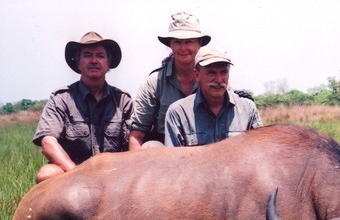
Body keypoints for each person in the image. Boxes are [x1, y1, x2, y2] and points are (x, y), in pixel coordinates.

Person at [33, 31, 133, 183]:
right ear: (78, 63)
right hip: (72, 173)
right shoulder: (61, 98)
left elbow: (132, 145)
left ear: (108, 63)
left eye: (100, 55)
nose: (94, 60)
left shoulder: (123, 100)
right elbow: (48, 142)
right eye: (87, 55)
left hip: (113, 175)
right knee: (47, 173)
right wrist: (76, 173)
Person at [129, 11, 211, 149]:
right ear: (170, 45)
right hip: (166, 155)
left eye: (189, 41)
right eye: (177, 42)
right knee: (150, 147)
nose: (183, 48)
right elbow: (136, 135)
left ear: (200, 43)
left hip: (205, 150)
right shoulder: (154, 82)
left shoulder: (213, 78)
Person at [164, 46, 262, 147]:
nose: (219, 80)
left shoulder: (248, 109)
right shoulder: (178, 113)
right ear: (197, 75)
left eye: (224, 72)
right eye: (211, 73)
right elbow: (173, 160)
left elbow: (260, 152)